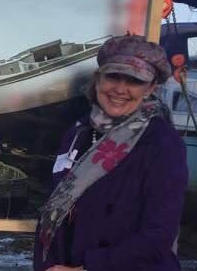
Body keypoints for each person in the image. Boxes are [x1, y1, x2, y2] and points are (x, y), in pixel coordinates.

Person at [34, 35, 188, 271]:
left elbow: (158, 236)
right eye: (113, 76)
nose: (120, 89)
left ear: (150, 88)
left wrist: (88, 268)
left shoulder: (162, 142)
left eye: (134, 81)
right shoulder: (78, 132)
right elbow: (55, 207)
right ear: (98, 79)